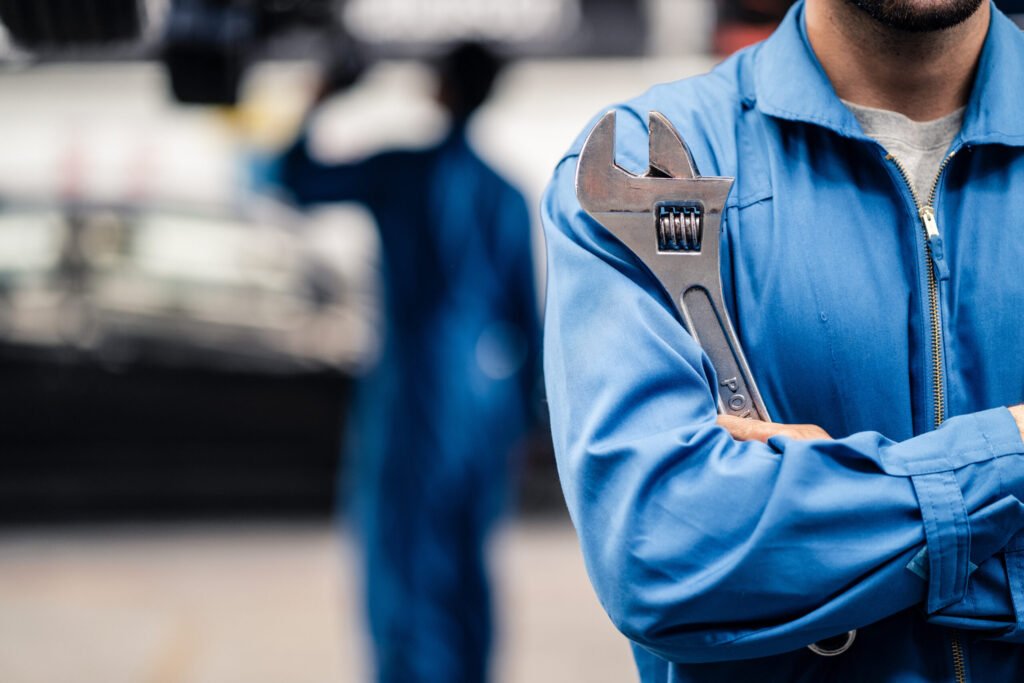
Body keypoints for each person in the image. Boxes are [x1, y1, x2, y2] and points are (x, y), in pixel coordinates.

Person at [542, 0, 1024, 679]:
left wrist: (819, 527)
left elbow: (731, 563)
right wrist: (1011, 452)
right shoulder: (655, 161)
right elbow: (664, 554)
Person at [271, 43, 540, 683]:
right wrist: (528, 418)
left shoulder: (401, 173)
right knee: (466, 561)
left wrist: (320, 99)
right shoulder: (503, 193)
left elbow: (294, 178)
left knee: (399, 561)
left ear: (439, 89)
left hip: (411, 400)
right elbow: (527, 317)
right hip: (481, 406)